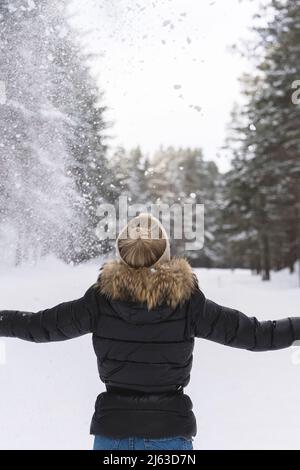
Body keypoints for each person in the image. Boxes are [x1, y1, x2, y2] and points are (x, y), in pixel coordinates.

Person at [0, 213, 299, 451]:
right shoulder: (188, 303)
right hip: (169, 435)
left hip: (112, 435)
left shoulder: (100, 300)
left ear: (121, 254)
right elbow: (257, 334)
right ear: (166, 255)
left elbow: (39, 326)